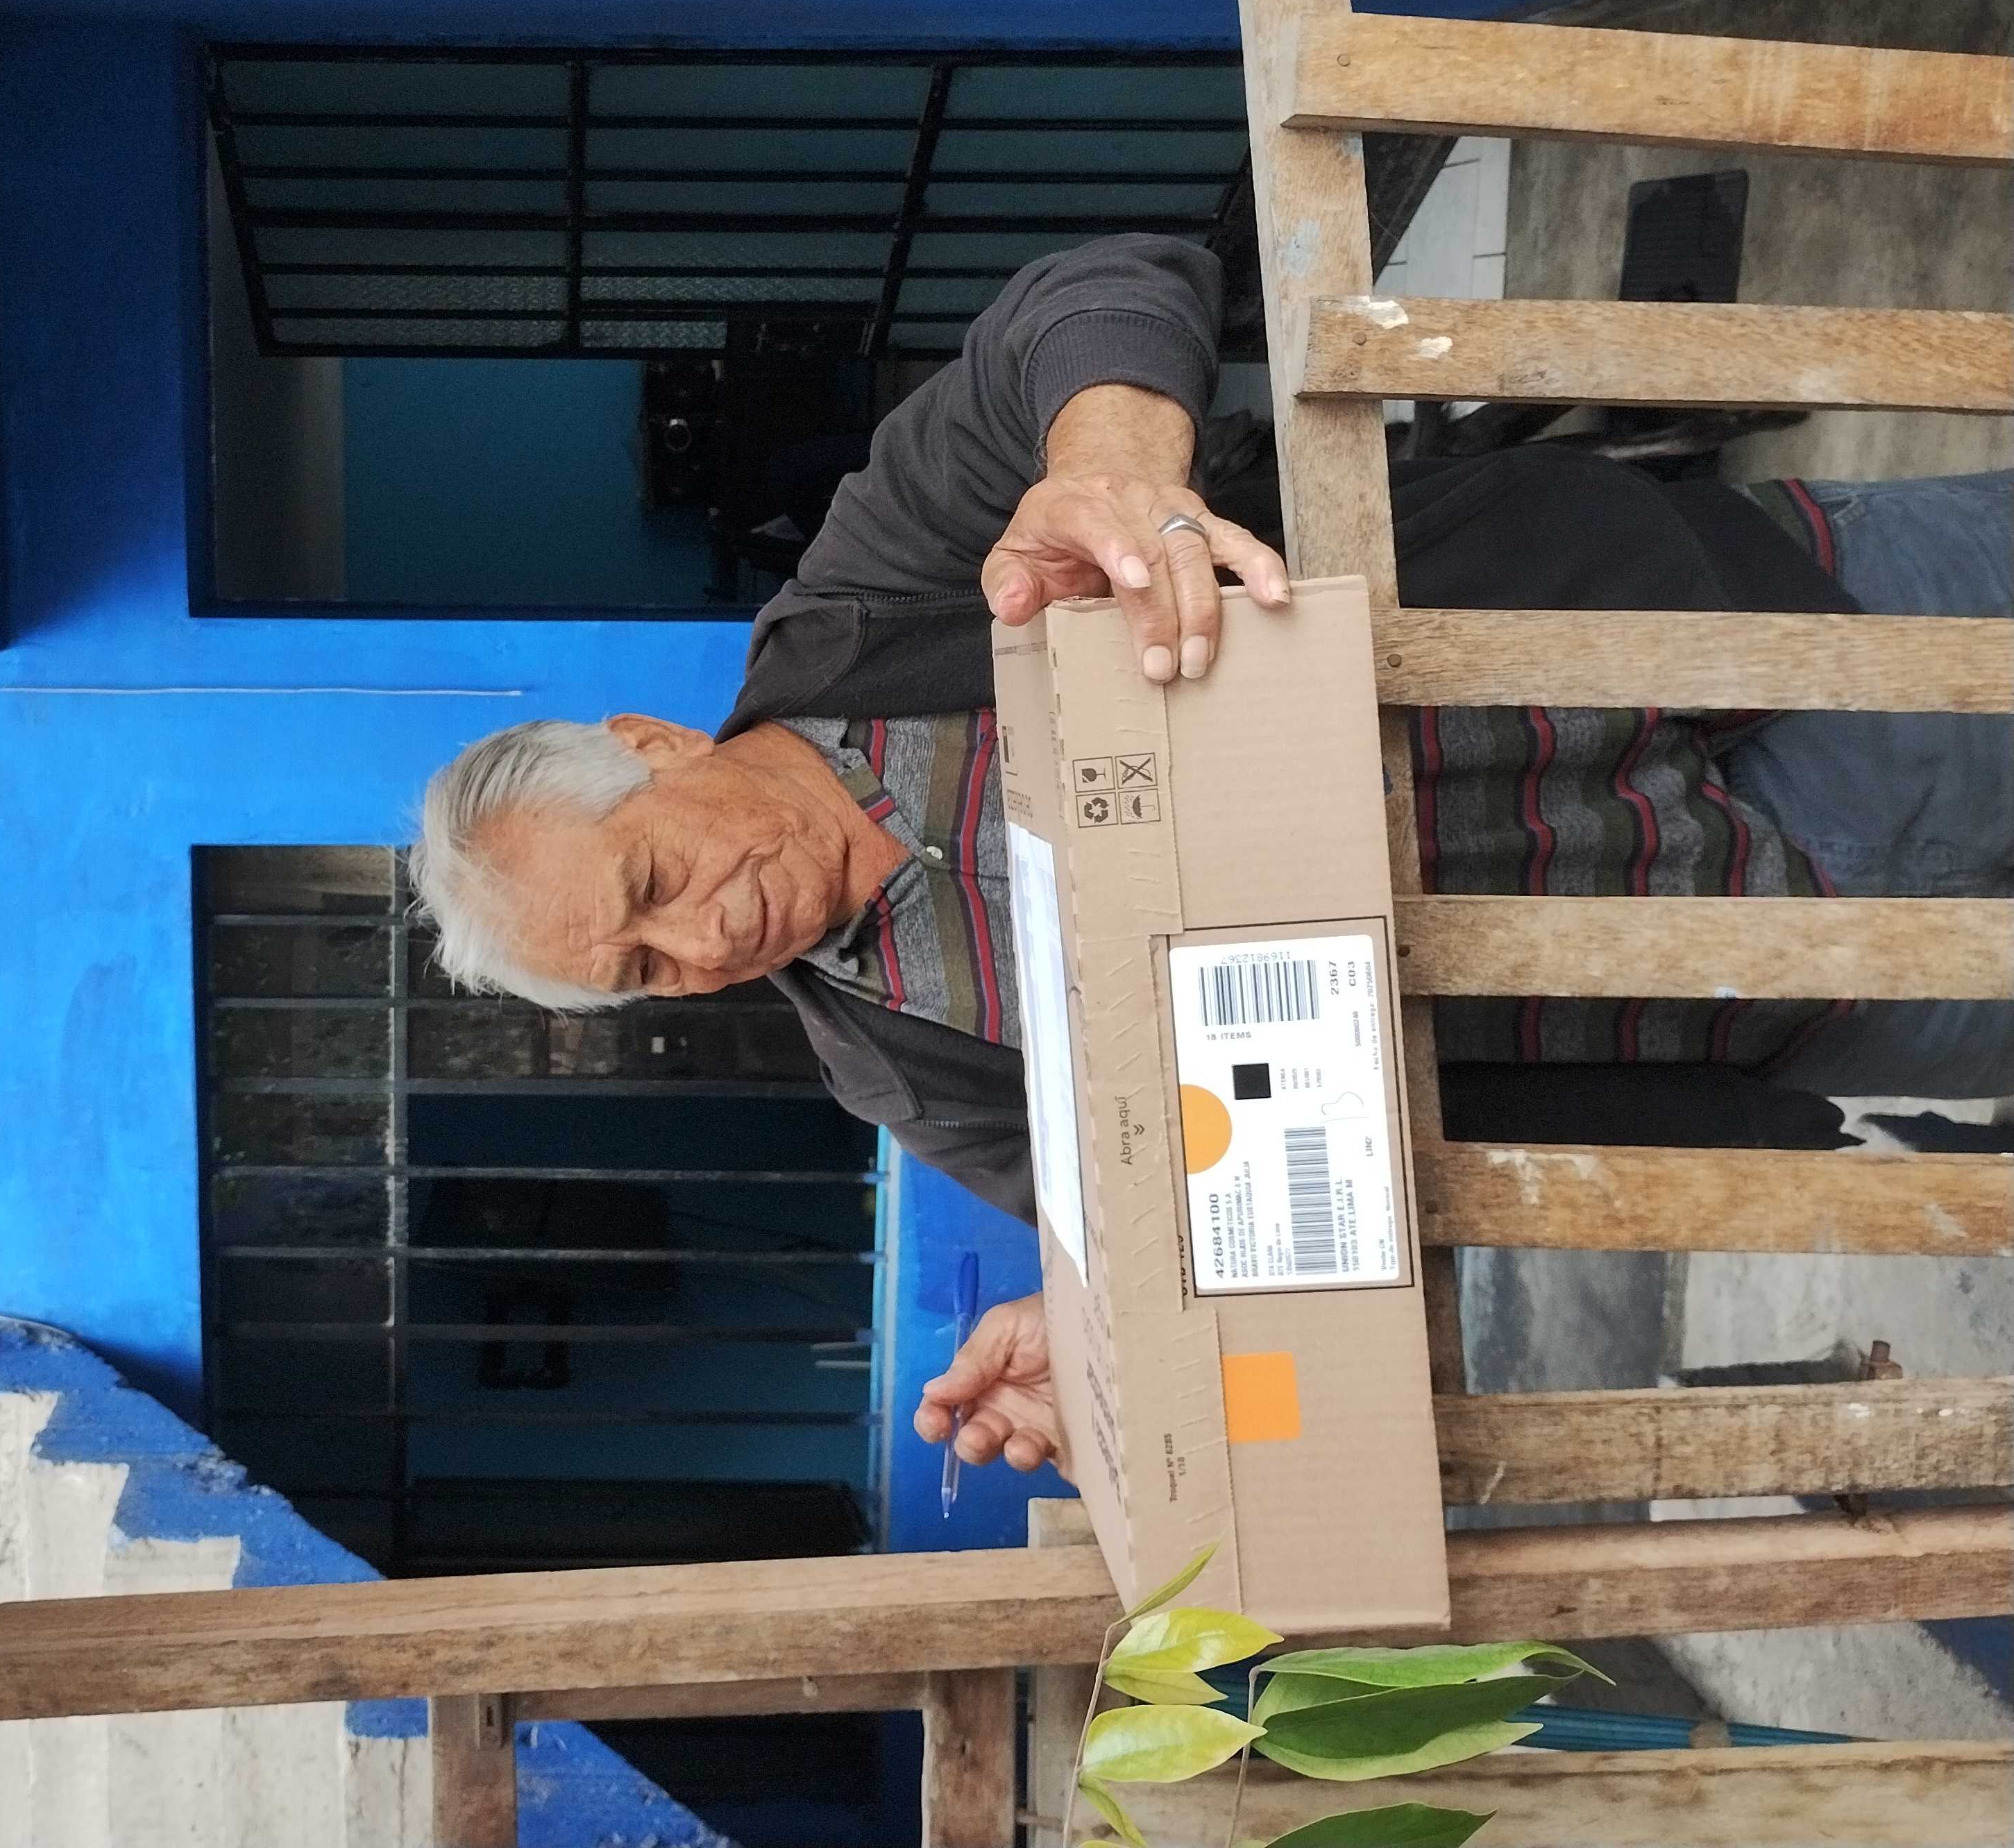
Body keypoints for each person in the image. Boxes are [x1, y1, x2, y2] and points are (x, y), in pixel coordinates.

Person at [409, 237, 2013, 1476]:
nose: (702, 945)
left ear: (656, 745)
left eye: (651, 890)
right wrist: (1101, 1334)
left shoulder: (878, 601)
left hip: (1751, 645)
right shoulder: (896, 1061)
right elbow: (1182, 1225)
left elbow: (1105, 284)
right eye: (646, 973)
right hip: (1757, 984)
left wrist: (1106, 460)